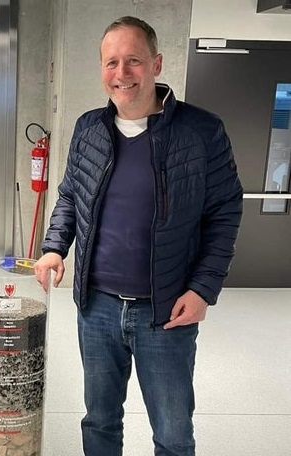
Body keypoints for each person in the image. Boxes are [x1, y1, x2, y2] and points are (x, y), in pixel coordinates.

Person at [34, 16, 243, 456]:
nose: (122, 73)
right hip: (98, 308)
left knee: (172, 433)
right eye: (111, 62)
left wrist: (203, 289)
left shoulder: (201, 131)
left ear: (156, 64)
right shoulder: (89, 128)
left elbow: (225, 212)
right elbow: (71, 195)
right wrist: (54, 248)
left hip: (166, 311)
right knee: (100, 421)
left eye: (133, 60)